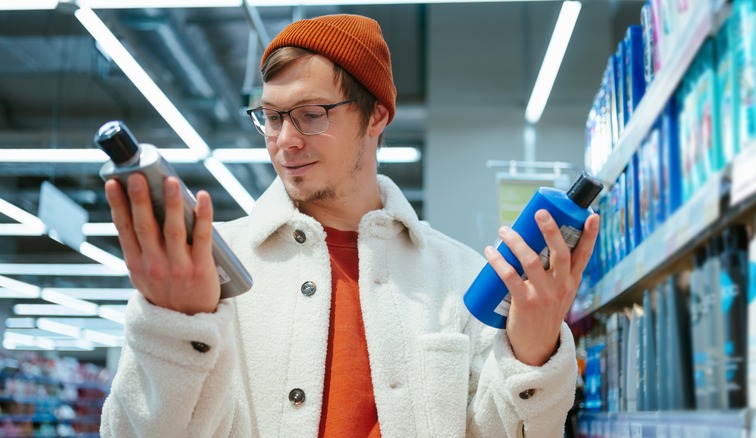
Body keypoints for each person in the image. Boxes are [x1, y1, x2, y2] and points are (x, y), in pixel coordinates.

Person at [99, 13, 599, 437]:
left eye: (312, 114)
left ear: (377, 115)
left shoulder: (458, 275)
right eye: (271, 117)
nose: (284, 141)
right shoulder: (212, 269)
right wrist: (176, 330)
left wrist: (534, 353)